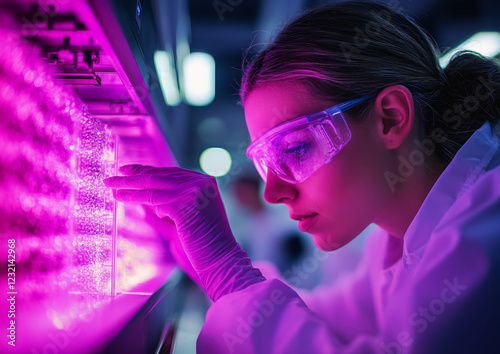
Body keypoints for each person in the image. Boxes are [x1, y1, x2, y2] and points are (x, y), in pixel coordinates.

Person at [104, 1, 500, 353]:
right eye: (266, 164)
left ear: (390, 118)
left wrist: (227, 272)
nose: (273, 192)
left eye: (295, 150)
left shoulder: (487, 232)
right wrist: (212, 267)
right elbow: (333, 322)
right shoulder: (399, 238)